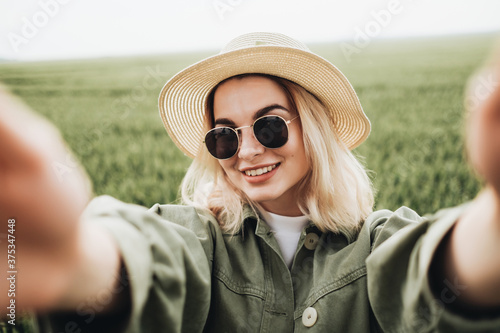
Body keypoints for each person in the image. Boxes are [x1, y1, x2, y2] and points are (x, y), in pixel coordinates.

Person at [0, 32, 499, 332]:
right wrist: (77, 262)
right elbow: (151, 256)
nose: (247, 150)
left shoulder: (375, 242)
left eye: (270, 124)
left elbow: (429, 270)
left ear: (314, 129)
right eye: (223, 136)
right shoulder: (202, 238)